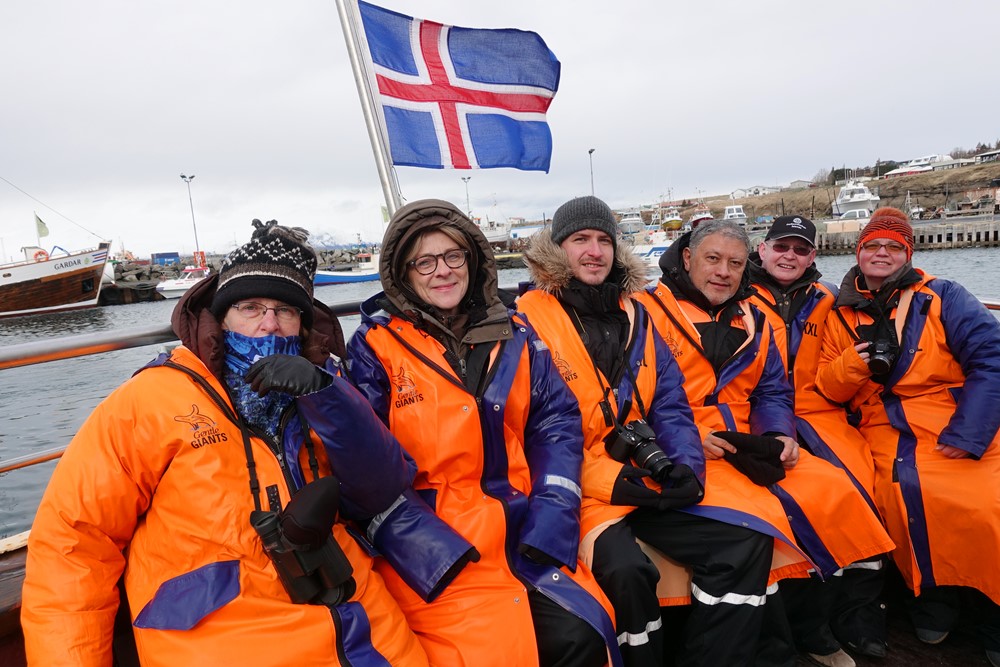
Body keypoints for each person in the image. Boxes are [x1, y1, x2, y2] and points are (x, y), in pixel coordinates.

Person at [22, 220, 431, 667]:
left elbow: (384, 486)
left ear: (302, 322)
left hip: (358, 620)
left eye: (284, 311)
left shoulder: (324, 385)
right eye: (250, 307)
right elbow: (75, 543)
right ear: (222, 317)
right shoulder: (150, 401)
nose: (268, 325)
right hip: (221, 637)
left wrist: (328, 395)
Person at [346, 199, 620, 667]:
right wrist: (428, 552)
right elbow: (363, 466)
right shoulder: (375, 347)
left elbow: (555, 422)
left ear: (472, 260)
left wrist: (555, 510)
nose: (442, 271)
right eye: (424, 261)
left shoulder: (515, 333)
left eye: (453, 256)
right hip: (435, 544)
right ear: (404, 273)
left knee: (585, 632)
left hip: (521, 525)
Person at [518, 195, 784, 667]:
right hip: (575, 490)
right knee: (627, 572)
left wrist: (686, 465)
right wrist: (610, 480)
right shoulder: (527, 322)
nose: (594, 251)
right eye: (581, 239)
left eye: (604, 240)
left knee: (743, 542)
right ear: (557, 249)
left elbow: (670, 404)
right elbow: (531, 434)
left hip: (646, 472)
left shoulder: (637, 316)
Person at [633, 218, 895, 666]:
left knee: (835, 490)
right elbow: (631, 398)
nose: (723, 271)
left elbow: (773, 390)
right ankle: (768, 644)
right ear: (687, 258)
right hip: (688, 447)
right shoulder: (642, 312)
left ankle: (811, 624)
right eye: (713, 259)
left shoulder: (754, 317)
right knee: (761, 517)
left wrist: (779, 433)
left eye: (735, 263)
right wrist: (695, 437)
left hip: (749, 443)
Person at [815, 207, 1000, 666]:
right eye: (872, 245)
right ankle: (932, 600)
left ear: (907, 253)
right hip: (885, 425)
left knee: (989, 500)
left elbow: (991, 359)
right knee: (898, 491)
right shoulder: (837, 312)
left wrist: (971, 433)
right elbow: (827, 386)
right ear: (858, 252)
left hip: (953, 417)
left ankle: (991, 611)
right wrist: (854, 365)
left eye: (892, 246)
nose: (881, 253)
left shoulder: (943, 295)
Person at [748, 216, 892, 665]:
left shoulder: (831, 298)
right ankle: (797, 621)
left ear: (814, 256)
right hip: (753, 414)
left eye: (800, 249)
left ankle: (856, 614)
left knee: (863, 489)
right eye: (781, 246)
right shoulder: (735, 294)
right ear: (762, 250)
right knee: (784, 500)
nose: (790, 256)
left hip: (818, 412)